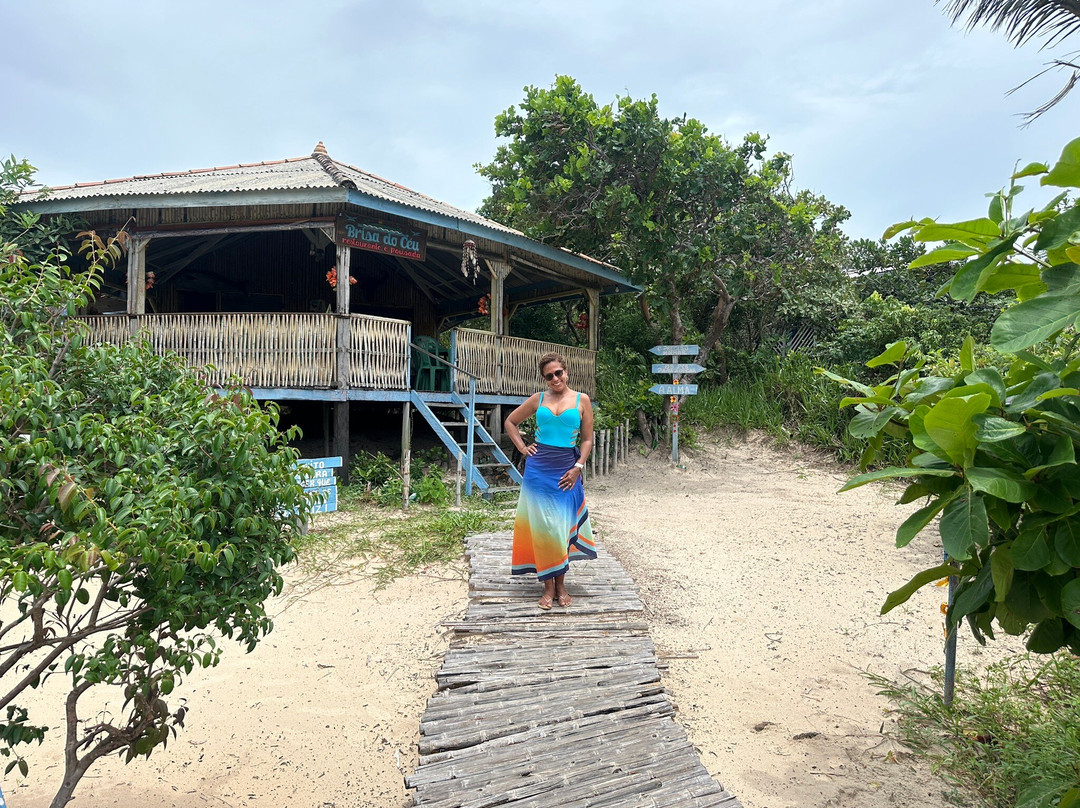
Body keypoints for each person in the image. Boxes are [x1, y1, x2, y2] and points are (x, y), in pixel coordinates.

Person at [504, 352, 596, 610]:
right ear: (544, 379)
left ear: (566, 372)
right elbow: (510, 422)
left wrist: (578, 467)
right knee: (543, 528)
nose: (555, 378)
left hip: (567, 468)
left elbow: (587, 439)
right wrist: (523, 448)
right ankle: (548, 586)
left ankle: (561, 584)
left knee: (559, 524)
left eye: (559, 373)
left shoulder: (582, 400)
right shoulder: (538, 399)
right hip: (538, 469)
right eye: (549, 375)